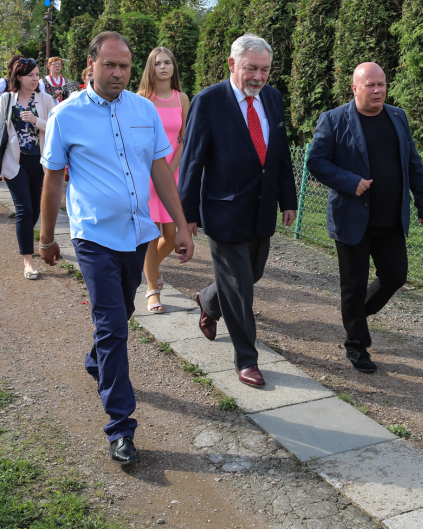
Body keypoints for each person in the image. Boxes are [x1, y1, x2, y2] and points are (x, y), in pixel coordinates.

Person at [38, 31, 194, 466]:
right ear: (90, 65)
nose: (119, 73)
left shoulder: (144, 110)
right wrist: (47, 238)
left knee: (119, 314)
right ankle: (121, 427)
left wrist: (180, 226)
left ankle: (96, 360)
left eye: (125, 66)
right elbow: (53, 179)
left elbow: (160, 170)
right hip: (93, 236)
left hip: (138, 234)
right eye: (110, 65)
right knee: (114, 327)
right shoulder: (66, 116)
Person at [178, 34, 297, 388]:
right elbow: (192, 160)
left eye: (265, 69)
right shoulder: (209, 101)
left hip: (261, 209)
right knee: (241, 288)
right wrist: (187, 215)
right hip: (223, 211)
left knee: (252, 274)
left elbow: (280, 153)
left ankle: (208, 298)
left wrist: (287, 198)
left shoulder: (272, 98)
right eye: (251, 69)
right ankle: (247, 358)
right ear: (232, 65)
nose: (258, 77)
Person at [306, 63, 423, 373]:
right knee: (353, 283)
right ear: (354, 88)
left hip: (390, 219)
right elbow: (317, 162)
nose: (378, 90)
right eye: (370, 86)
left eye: (382, 84)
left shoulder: (396, 117)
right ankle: (357, 345)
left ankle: (355, 316)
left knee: (395, 276)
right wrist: (350, 182)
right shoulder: (334, 120)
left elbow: (412, 162)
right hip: (352, 219)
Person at [0, 58, 56, 279]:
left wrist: (36, 121)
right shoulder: (7, 99)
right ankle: (28, 260)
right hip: (14, 162)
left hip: (40, 161)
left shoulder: (45, 99)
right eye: (30, 75)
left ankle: (27, 239)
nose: (35, 79)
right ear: (18, 77)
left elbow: (56, 127)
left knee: (35, 210)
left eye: (37, 75)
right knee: (24, 210)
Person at [137, 47, 190, 313]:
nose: (163, 67)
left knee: (170, 235)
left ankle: (150, 270)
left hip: (173, 173)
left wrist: (170, 170)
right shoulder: (142, 99)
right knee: (150, 233)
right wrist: (153, 170)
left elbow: (184, 138)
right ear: (151, 68)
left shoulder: (182, 98)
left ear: (173, 67)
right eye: (158, 63)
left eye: (168, 62)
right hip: (146, 173)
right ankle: (152, 290)